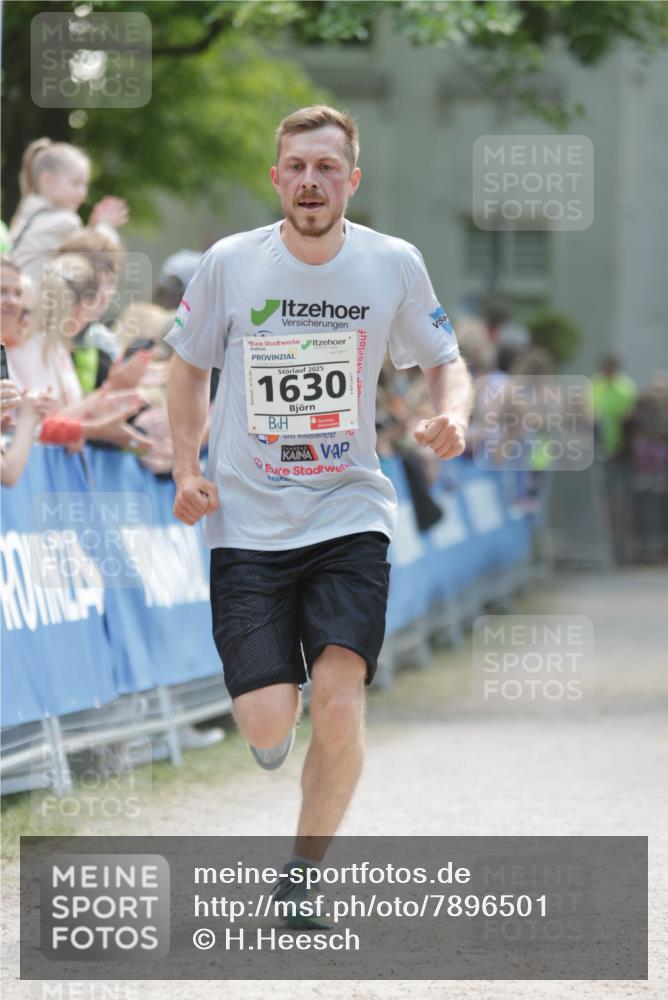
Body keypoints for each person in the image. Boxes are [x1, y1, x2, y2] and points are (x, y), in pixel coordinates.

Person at [165, 105, 473, 924]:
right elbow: (186, 369)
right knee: (272, 729)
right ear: (276, 178)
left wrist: (458, 416)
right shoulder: (230, 264)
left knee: (340, 700)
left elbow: (447, 361)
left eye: (327, 167)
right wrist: (186, 466)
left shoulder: (392, 263)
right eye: (297, 166)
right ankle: (274, 726)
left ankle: (302, 879)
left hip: (348, 511)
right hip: (247, 523)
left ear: (351, 180)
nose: (311, 181)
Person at [9, 138, 128, 287]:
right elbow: (97, 259)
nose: (83, 194)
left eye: (85, 186)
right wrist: (105, 226)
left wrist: (92, 228)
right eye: (76, 183)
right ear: (47, 181)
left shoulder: (26, 214)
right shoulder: (64, 220)